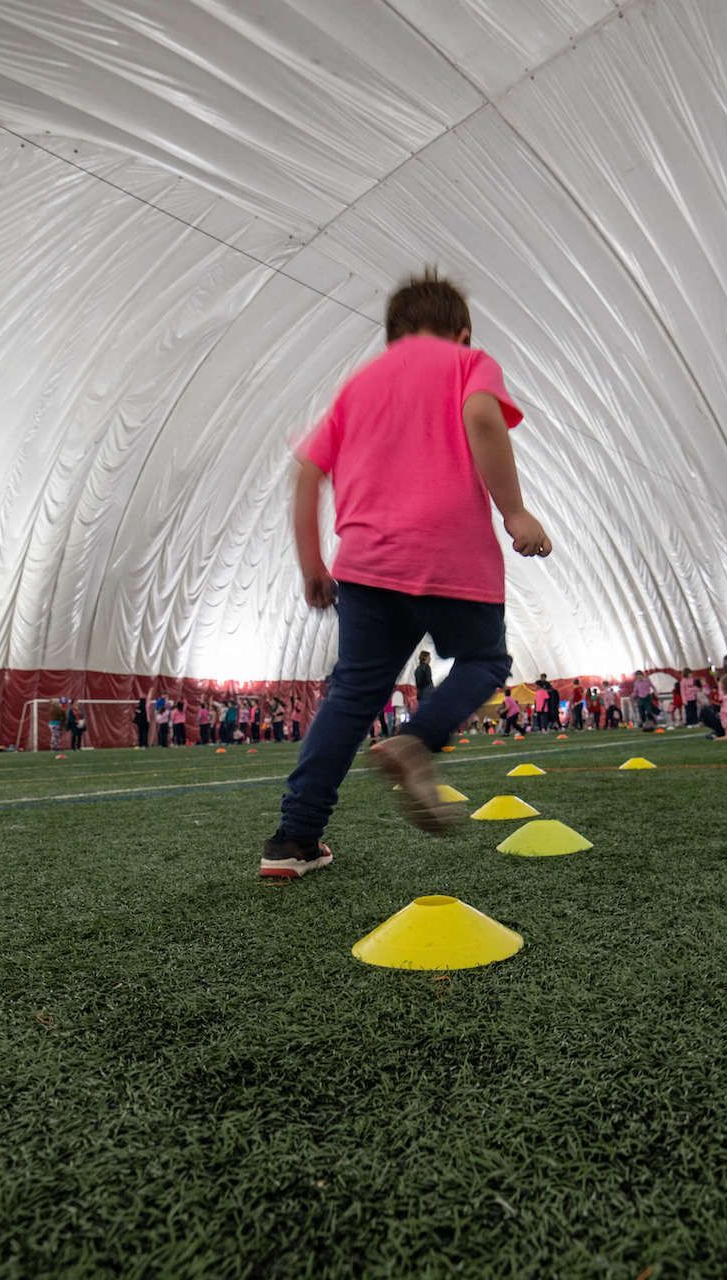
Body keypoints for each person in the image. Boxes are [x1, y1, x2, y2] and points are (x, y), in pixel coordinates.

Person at [261, 270, 548, 879]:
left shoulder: (358, 384)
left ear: (392, 337)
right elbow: (482, 417)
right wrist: (515, 512)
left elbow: (307, 473)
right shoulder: (468, 364)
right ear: (463, 333)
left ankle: (293, 839)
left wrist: (312, 563)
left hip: (365, 564)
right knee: (485, 661)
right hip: (450, 555)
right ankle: (418, 739)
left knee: (351, 696)